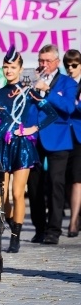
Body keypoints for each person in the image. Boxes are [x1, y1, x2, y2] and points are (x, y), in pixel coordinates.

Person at [0, 46, 58, 252]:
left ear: (20, 69)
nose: (9, 70)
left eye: (12, 67)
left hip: (22, 146)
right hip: (2, 145)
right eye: (5, 67)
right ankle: (10, 222)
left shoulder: (28, 92)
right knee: (1, 195)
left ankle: (15, 237)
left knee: (18, 193)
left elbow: (51, 113)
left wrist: (33, 128)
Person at [25, 44, 77, 244]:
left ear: (56, 62)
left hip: (58, 139)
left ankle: (54, 230)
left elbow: (68, 108)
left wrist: (48, 90)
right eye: (40, 60)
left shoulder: (67, 83)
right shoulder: (29, 78)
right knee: (35, 186)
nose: (43, 64)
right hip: (34, 138)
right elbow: (25, 106)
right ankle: (39, 228)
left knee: (56, 184)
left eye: (47, 61)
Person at [62, 49, 81, 237]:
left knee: (77, 179)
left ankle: (73, 221)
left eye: (74, 65)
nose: (70, 68)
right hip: (64, 135)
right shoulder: (64, 82)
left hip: (79, 135)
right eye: (67, 65)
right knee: (67, 178)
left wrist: (74, 104)